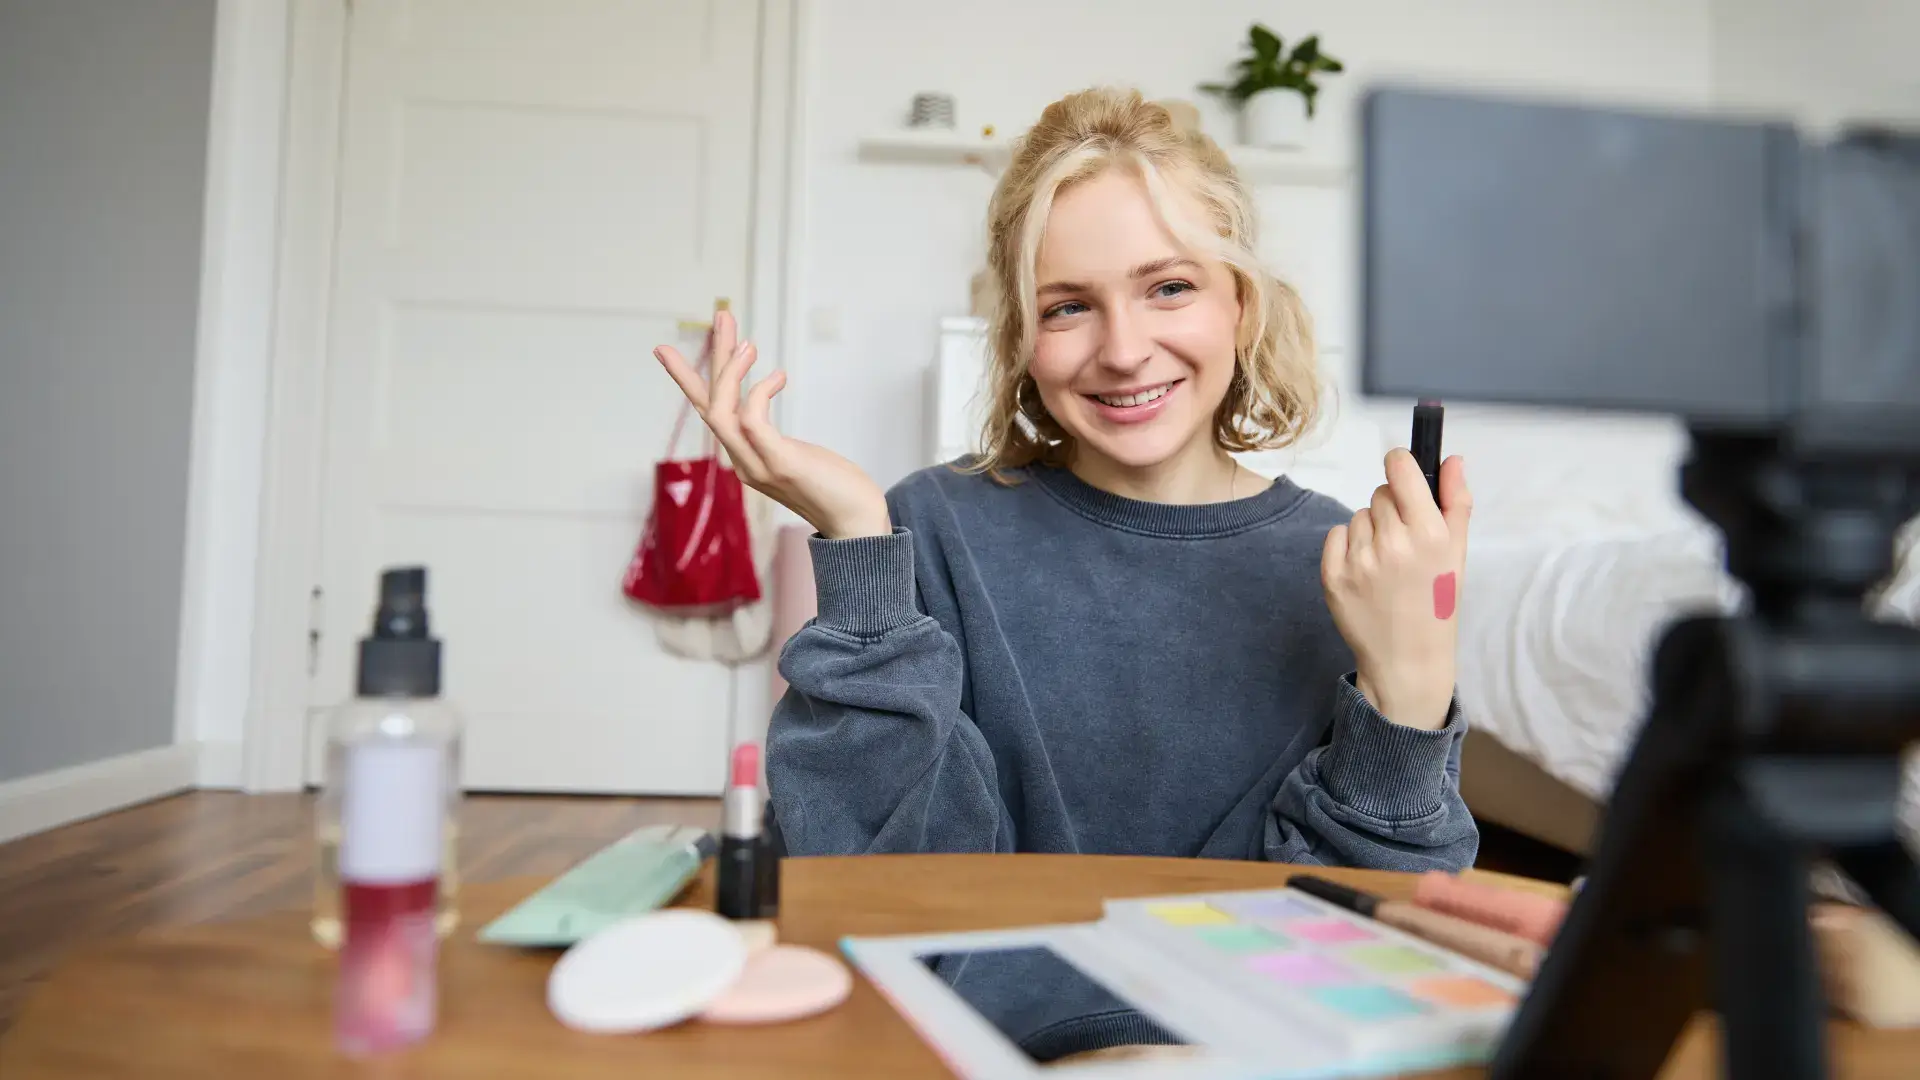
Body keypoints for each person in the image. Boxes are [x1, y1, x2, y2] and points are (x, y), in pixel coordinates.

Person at [655, 86, 1477, 1058]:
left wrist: (1411, 687)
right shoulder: (930, 526)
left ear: (1241, 304)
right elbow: (874, 869)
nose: (1125, 351)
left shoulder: (1347, 565)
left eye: (1169, 287)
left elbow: (1361, 939)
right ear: (1020, 338)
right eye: (1068, 306)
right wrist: (859, 542)